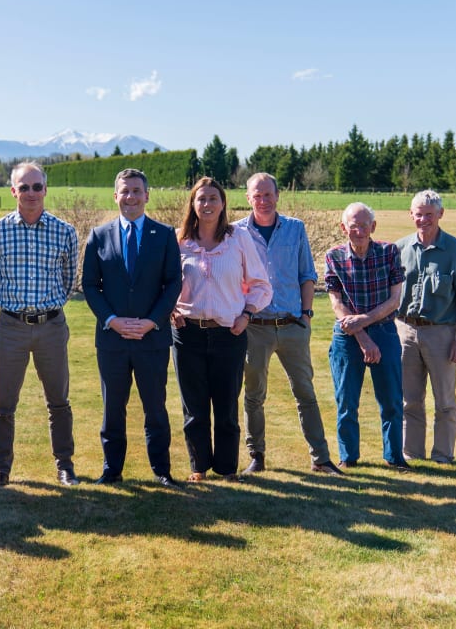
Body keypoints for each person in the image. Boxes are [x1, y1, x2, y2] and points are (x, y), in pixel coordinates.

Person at [234, 173, 343, 476]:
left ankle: (320, 458)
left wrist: (306, 316)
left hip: (292, 324)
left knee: (305, 393)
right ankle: (256, 456)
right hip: (255, 326)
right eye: (257, 195)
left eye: (268, 194)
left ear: (277, 195)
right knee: (254, 394)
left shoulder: (295, 228)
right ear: (248, 198)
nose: (263, 201)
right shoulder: (236, 232)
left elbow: (307, 274)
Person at [0, 161, 80, 489]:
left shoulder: (65, 232)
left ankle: (65, 466)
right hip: (12, 327)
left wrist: (51, 306)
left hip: (51, 326)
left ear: (45, 189)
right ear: (13, 191)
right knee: (3, 403)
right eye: (24, 187)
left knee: (59, 400)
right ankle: (1, 468)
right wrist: (13, 309)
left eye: (37, 186)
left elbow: (68, 280)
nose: (31, 193)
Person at [82, 169, 183, 488]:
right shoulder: (99, 236)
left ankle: (162, 470)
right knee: (113, 409)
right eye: (125, 191)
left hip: (151, 338)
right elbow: (90, 285)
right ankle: (112, 470)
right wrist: (112, 320)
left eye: (137, 191)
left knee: (155, 408)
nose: (131, 197)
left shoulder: (164, 235)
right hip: (112, 340)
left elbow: (173, 283)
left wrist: (152, 321)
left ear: (146, 195)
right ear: (115, 196)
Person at [171, 177, 272, 483]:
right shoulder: (179, 241)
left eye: (213, 198)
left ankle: (227, 468)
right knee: (194, 405)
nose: (207, 204)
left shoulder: (238, 238)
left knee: (226, 405)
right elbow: (164, 284)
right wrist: (171, 309)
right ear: (192, 204)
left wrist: (247, 314)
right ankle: (199, 467)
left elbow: (261, 285)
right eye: (201, 199)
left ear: (223, 203)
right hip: (187, 332)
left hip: (229, 333)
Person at [324, 202, 410, 470]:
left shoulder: (389, 252)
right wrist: (362, 335)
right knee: (346, 401)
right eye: (353, 226)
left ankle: (394, 457)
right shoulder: (334, 256)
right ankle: (348, 458)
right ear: (343, 228)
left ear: (373, 227)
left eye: (364, 226)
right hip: (347, 336)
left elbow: (395, 300)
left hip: (384, 331)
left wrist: (364, 320)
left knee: (391, 400)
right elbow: (336, 303)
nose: (359, 231)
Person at [396, 190, 456, 464]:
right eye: (418, 214)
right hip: (404, 332)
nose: (424, 220)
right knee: (409, 400)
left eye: (429, 214)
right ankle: (411, 453)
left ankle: (443, 455)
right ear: (411, 215)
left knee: (444, 401)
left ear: (441, 214)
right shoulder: (399, 249)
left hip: (441, 333)